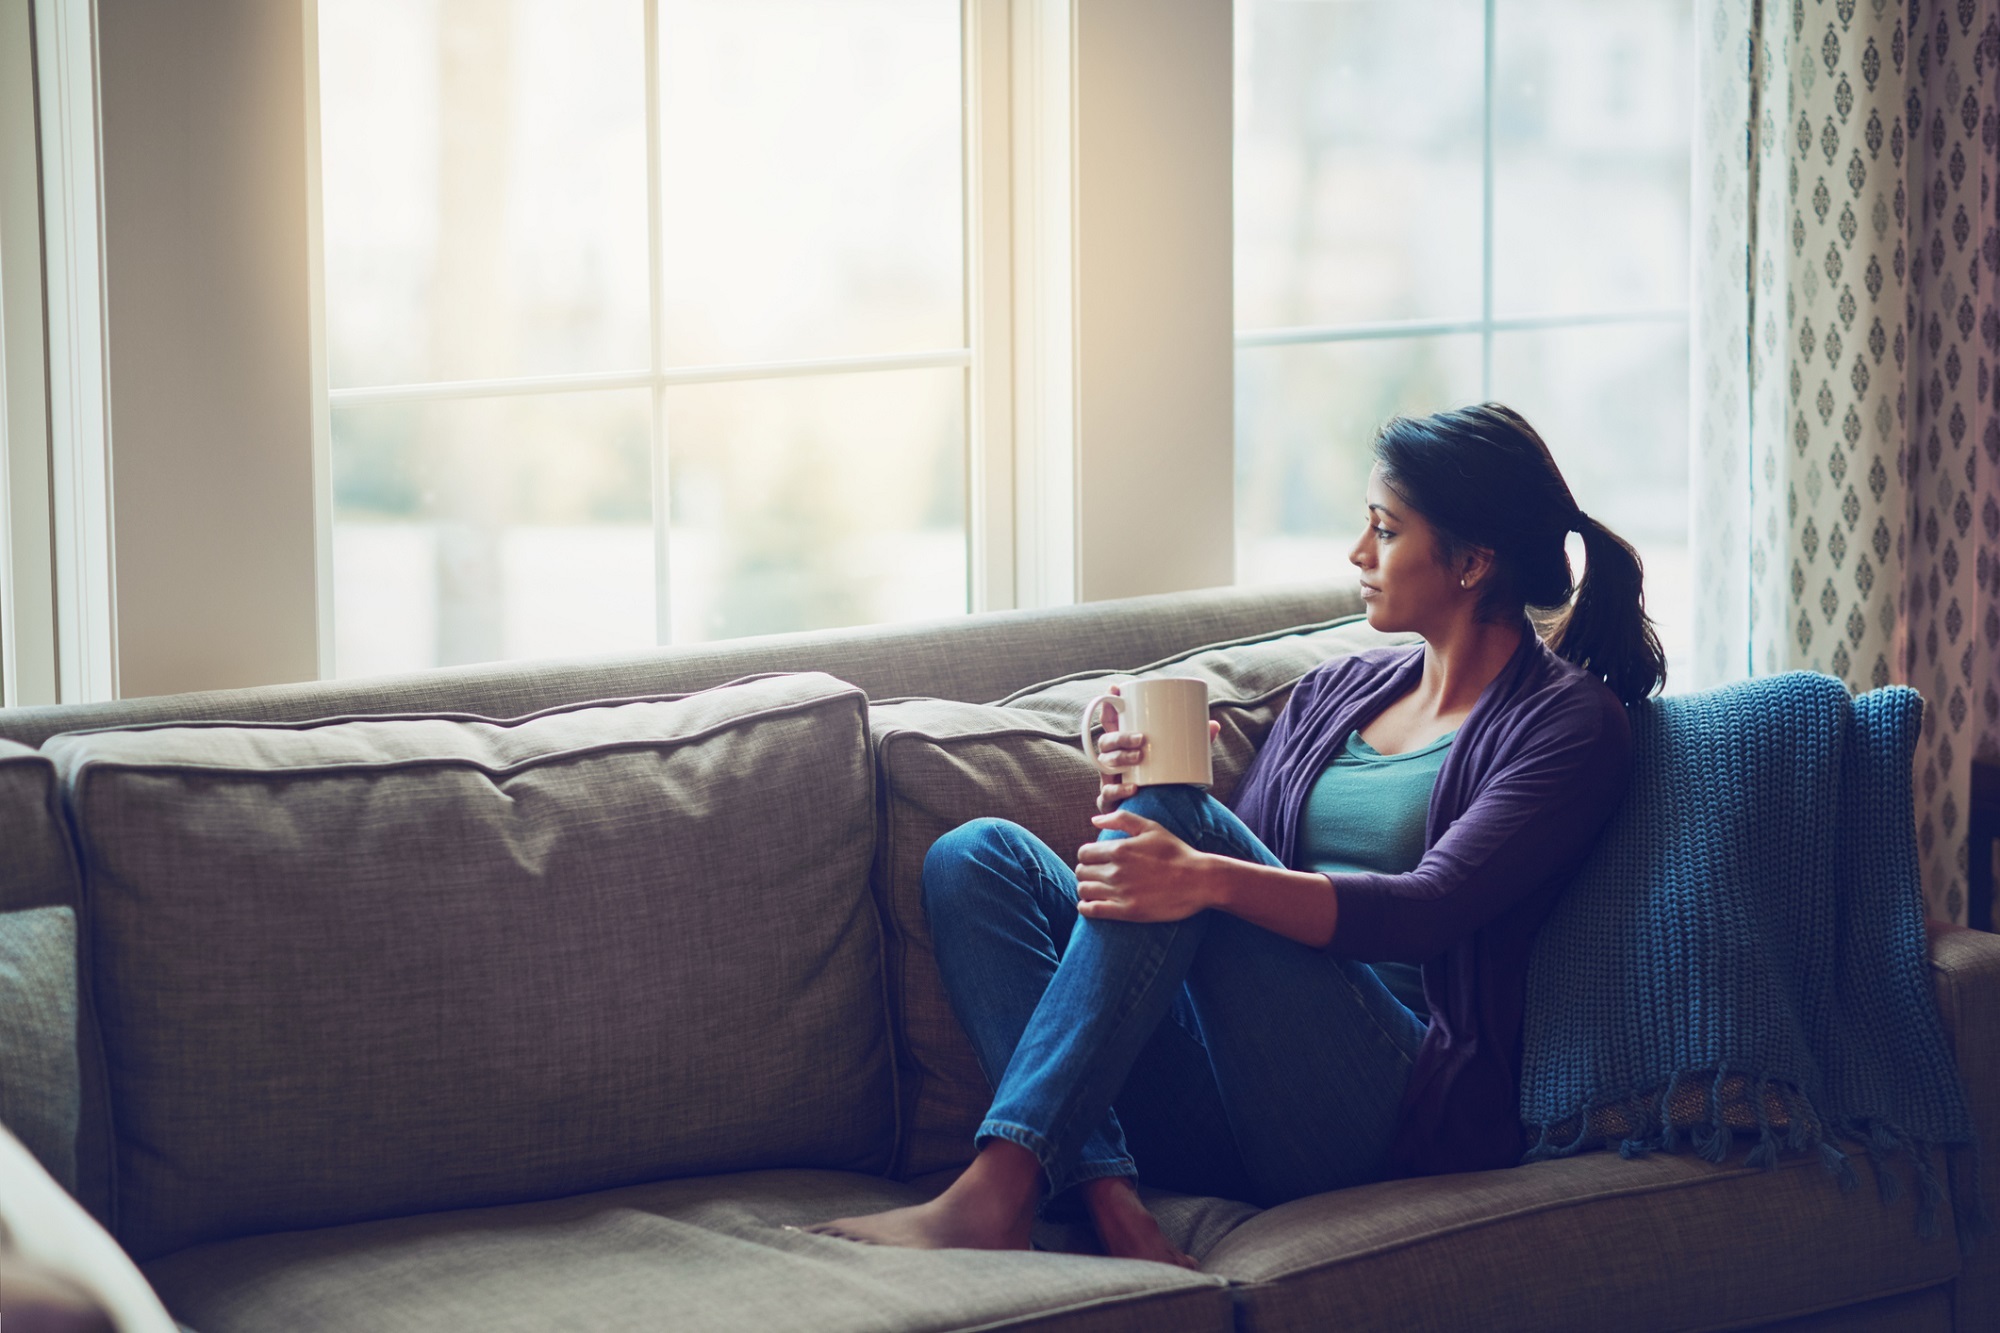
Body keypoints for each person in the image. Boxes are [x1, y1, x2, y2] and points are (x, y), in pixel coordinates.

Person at [811, 403, 1659, 1266]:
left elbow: (1427, 907)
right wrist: (1139, 793)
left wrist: (1199, 856)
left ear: (1474, 561)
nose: (1358, 554)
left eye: (1385, 529)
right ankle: (1108, 1194)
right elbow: (1216, 893)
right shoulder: (1339, 691)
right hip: (1227, 1095)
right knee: (975, 857)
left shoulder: (1569, 725)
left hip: (1383, 1099)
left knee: (1186, 830)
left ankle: (1000, 1186)